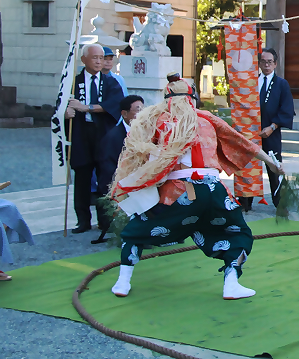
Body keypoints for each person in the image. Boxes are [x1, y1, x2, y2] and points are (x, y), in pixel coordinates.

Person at [108, 80, 283, 300]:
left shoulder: (157, 120)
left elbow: (136, 155)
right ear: (193, 98)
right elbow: (244, 144)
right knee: (238, 233)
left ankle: (123, 282)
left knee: (134, 232)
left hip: (178, 193)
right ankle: (231, 282)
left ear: (167, 99)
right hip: (214, 191)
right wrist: (272, 163)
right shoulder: (208, 118)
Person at [65, 43, 125, 234]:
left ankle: (105, 221)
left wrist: (86, 107)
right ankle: (82, 220)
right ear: (84, 60)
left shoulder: (110, 82)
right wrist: (64, 112)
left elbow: (115, 104)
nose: (99, 61)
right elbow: (60, 103)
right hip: (81, 134)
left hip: (103, 135)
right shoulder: (73, 82)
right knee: (82, 177)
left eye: (102, 58)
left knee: (105, 177)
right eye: (95, 58)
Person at [93, 95, 144, 243]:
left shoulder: (145, 132)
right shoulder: (113, 137)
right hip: (122, 182)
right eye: (137, 110)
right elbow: (108, 169)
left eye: (143, 109)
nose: (141, 113)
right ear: (124, 114)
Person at [250, 48, 295, 209]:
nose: (266, 64)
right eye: (263, 61)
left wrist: (272, 126)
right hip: (252, 131)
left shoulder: (281, 84)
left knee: (275, 166)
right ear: (259, 63)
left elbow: (287, 109)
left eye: (270, 62)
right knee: (250, 166)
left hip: (272, 131)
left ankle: (279, 202)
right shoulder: (252, 82)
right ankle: (246, 201)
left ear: (275, 64)